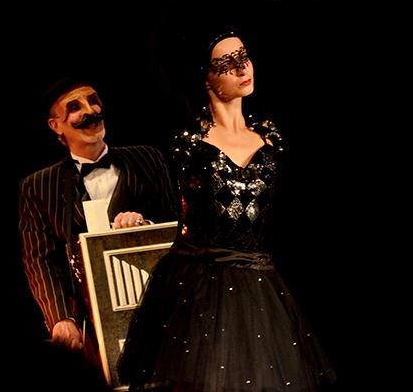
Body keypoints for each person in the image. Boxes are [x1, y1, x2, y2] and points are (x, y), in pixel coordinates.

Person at [117, 25, 337, 391]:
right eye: (226, 64)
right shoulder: (190, 142)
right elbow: (152, 66)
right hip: (200, 286)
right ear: (205, 77)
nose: (241, 68)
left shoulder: (270, 138)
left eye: (244, 57)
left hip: (260, 284)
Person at [18, 77, 179, 388]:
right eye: (75, 107)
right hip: (92, 321)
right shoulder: (38, 186)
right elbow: (39, 258)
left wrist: (144, 228)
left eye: (93, 101)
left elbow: (177, 228)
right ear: (56, 126)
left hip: (158, 309)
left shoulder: (147, 159)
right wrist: (60, 318)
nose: (90, 111)